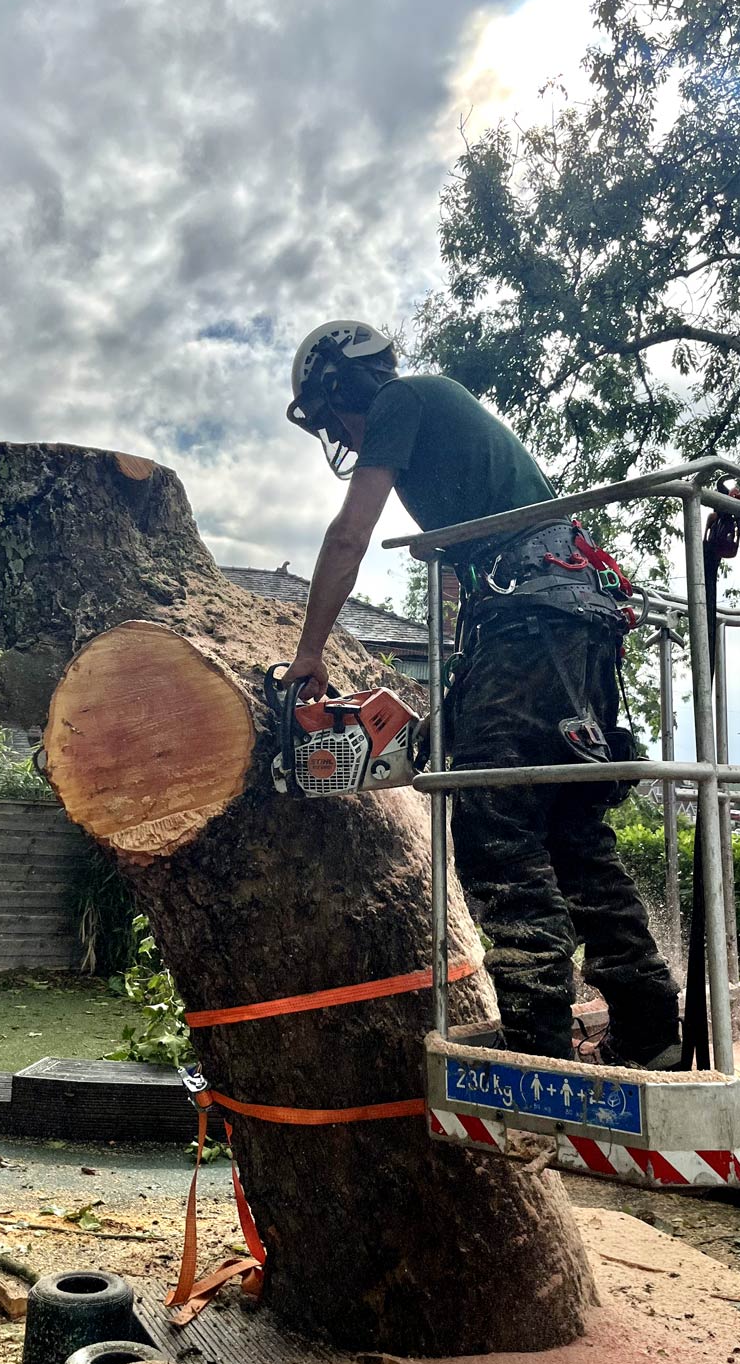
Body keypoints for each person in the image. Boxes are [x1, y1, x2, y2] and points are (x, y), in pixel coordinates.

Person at [281, 319, 680, 1068]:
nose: (340, 430)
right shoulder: (445, 416)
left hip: (532, 620)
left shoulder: (399, 401)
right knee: (569, 830)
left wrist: (310, 652)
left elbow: (347, 536)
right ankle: (651, 1026)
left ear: (343, 386)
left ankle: (537, 1042)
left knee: (495, 825)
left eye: (333, 413)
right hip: (579, 617)